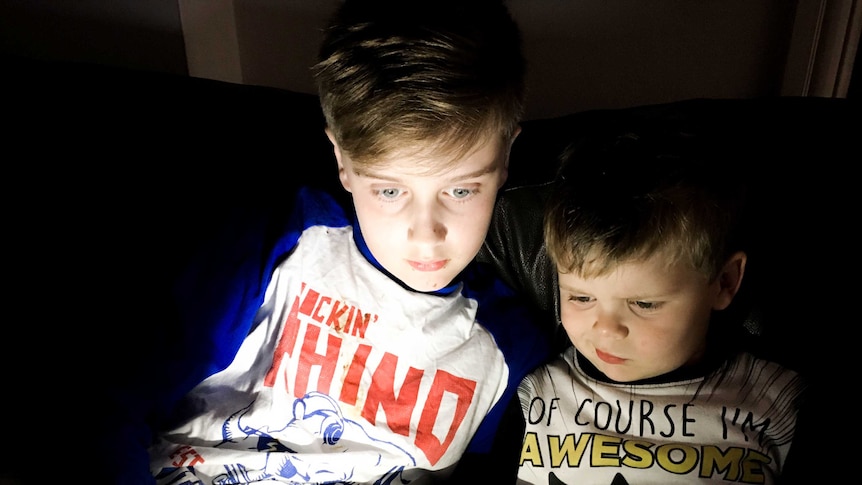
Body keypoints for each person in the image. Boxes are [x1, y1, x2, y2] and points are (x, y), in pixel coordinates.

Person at [98, 1, 552, 484]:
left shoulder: (511, 350)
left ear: (505, 157)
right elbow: (112, 409)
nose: (426, 233)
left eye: (460, 190)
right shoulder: (277, 243)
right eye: (390, 191)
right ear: (342, 159)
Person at [515, 129, 808, 484]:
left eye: (643, 303)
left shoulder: (774, 399)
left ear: (725, 281)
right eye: (581, 297)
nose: (605, 329)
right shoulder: (536, 390)